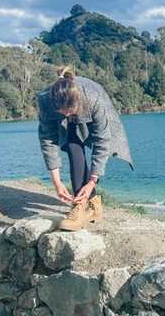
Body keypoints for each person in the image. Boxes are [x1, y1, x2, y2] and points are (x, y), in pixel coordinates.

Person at [37, 66, 134, 231]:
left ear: (77, 103)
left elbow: (102, 142)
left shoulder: (93, 98)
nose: (67, 116)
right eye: (63, 112)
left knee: (79, 143)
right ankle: (87, 205)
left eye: (70, 111)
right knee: (72, 143)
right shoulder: (46, 100)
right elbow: (48, 140)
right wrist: (57, 182)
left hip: (93, 109)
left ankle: (84, 204)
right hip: (71, 115)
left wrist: (91, 182)